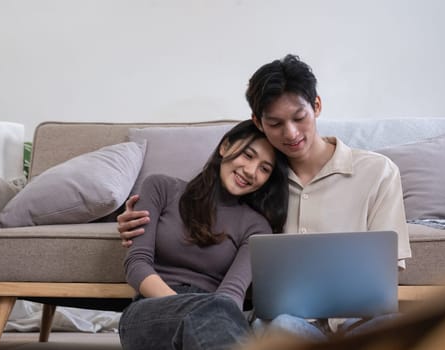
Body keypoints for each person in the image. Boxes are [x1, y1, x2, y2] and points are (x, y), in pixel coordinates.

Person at [117, 54, 412, 341]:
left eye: (299, 118)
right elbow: (149, 254)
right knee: (279, 326)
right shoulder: (259, 190)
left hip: (353, 321)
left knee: (393, 328)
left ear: (317, 106)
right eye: (276, 124)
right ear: (257, 123)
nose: (291, 133)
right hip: (277, 322)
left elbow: (385, 272)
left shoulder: (376, 172)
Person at [118, 120, 290, 350]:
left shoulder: (257, 226)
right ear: (225, 146)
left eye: (264, 169)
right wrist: (189, 305)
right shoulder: (161, 188)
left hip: (220, 313)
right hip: (152, 310)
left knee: (219, 311)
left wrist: (209, 311)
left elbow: (232, 293)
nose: (251, 171)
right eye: (248, 156)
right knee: (216, 313)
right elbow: (136, 264)